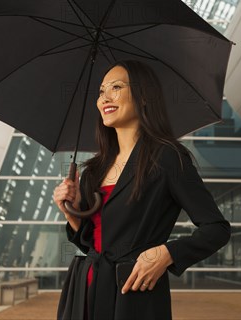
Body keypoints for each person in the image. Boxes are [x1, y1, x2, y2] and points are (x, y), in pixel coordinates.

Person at [53, 60, 231, 319]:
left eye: (116, 87)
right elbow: (95, 243)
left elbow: (217, 229)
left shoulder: (168, 158)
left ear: (144, 96)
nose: (105, 98)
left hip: (133, 295)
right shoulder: (93, 170)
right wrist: (71, 212)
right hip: (85, 289)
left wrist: (167, 253)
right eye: (101, 91)